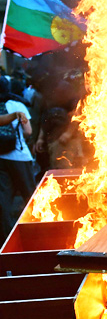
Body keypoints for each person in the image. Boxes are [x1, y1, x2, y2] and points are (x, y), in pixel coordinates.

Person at [0, 78, 34, 242]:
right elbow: (28, 131)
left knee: (3, 201)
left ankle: (6, 239)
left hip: (1, 158)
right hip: (20, 156)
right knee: (30, 197)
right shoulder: (17, 105)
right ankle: (35, 232)